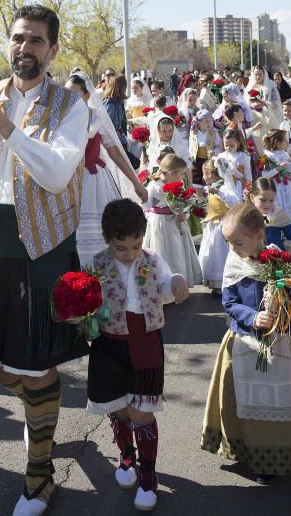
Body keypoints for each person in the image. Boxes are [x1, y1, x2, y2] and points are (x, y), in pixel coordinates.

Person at [0, 4, 90, 516]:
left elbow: (55, 173)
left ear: (52, 49)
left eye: (35, 41)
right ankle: (40, 418)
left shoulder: (71, 106)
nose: (24, 48)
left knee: (37, 365)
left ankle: (40, 474)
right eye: (18, 39)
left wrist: (9, 128)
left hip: (41, 251)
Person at [201, 203, 291, 483]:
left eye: (238, 242)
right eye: (229, 243)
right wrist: (253, 317)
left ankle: (278, 454)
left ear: (260, 235)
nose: (233, 248)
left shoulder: (278, 259)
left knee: (281, 399)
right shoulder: (234, 263)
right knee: (239, 397)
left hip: (281, 343)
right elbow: (229, 304)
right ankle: (245, 450)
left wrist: (283, 307)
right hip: (244, 341)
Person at [87, 198, 188, 511]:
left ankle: (148, 476)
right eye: (121, 248)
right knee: (118, 409)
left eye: (135, 245)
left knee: (141, 411)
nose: (130, 255)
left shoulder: (153, 260)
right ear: (108, 241)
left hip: (145, 341)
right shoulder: (96, 263)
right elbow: (84, 301)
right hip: (108, 343)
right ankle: (126, 458)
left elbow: (168, 284)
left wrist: (176, 283)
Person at [65, 72, 147, 264]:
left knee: (99, 234)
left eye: (76, 94)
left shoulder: (96, 118)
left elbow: (115, 153)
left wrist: (136, 183)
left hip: (93, 181)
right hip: (67, 180)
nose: (71, 99)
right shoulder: (61, 119)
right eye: (68, 94)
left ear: (87, 95)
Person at [143, 154, 202, 288]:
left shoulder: (178, 184)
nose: (181, 178)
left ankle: (177, 285)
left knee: (176, 253)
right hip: (159, 223)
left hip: (174, 223)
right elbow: (145, 205)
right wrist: (151, 218)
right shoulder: (153, 185)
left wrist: (183, 214)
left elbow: (184, 203)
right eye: (180, 174)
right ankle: (162, 285)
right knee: (161, 252)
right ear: (172, 172)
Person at [198, 158, 239, 295]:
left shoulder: (223, 187)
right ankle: (215, 283)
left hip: (222, 225)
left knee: (221, 254)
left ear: (209, 173)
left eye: (203, 173)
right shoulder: (212, 187)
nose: (203, 177)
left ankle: (224, 282)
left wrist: (219, 193)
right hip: (213, 225)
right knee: (212, 253)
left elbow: (234, 201)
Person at [248, 177, 291, 253]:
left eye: (271, 200)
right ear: (252, 197)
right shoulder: (248, 215)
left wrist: (288, 254)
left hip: (275, 257)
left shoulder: (279, 214)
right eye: (263, 200)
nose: (267, 204)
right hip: (254, 257)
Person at [260, 129, 291, 219]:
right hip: (273, 187)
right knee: (276, 209)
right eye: (285, 140)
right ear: (277, 143)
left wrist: (290, 174)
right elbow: (264, 175)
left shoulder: (285, 154)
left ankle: (286, 227)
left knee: (287, 207)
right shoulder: (266, 156)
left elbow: (289, 170)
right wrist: (278, 169)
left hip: (286, 186)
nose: (287, 142)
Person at [215, 129, 252, 200]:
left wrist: (248, 187)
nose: (228, 148)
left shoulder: (242, 156)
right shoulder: (221, 156)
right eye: (226, 145)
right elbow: (218, 168)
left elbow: (248, 173)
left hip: (239, 185)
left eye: (232, 145)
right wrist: (218, 162)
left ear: (238, 144)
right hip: (226, 184)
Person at [189, 109, 221, 184]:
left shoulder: (213, 133)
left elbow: (219, 146)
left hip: (208, 162)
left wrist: (214, 152)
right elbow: (191, 145)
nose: (209, 123)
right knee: (197, 181)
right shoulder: (193, 132)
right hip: (196, 162)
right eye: (206, 121)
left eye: (210, 120)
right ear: (199, 122)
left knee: (209, 179)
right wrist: (191, 155)